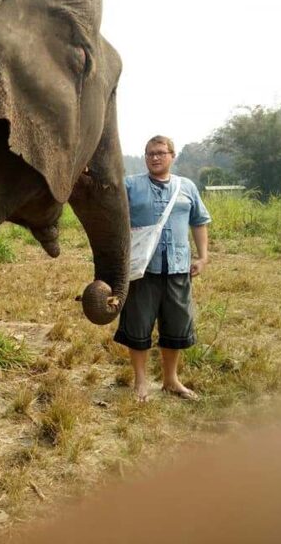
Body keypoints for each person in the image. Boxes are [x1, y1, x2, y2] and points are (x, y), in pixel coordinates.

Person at [114, 135, 211, 402]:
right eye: (149, 154)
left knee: (176, 327)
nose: (154, 158)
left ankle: (171, 380)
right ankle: (141, 383)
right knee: (138, 326)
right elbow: (108, 199)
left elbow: (199, 222)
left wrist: (203, 257)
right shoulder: (130, 186)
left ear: (172, 156)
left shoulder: (187, 187)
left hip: (179, 269)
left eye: (160, 153)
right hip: (143, 270)